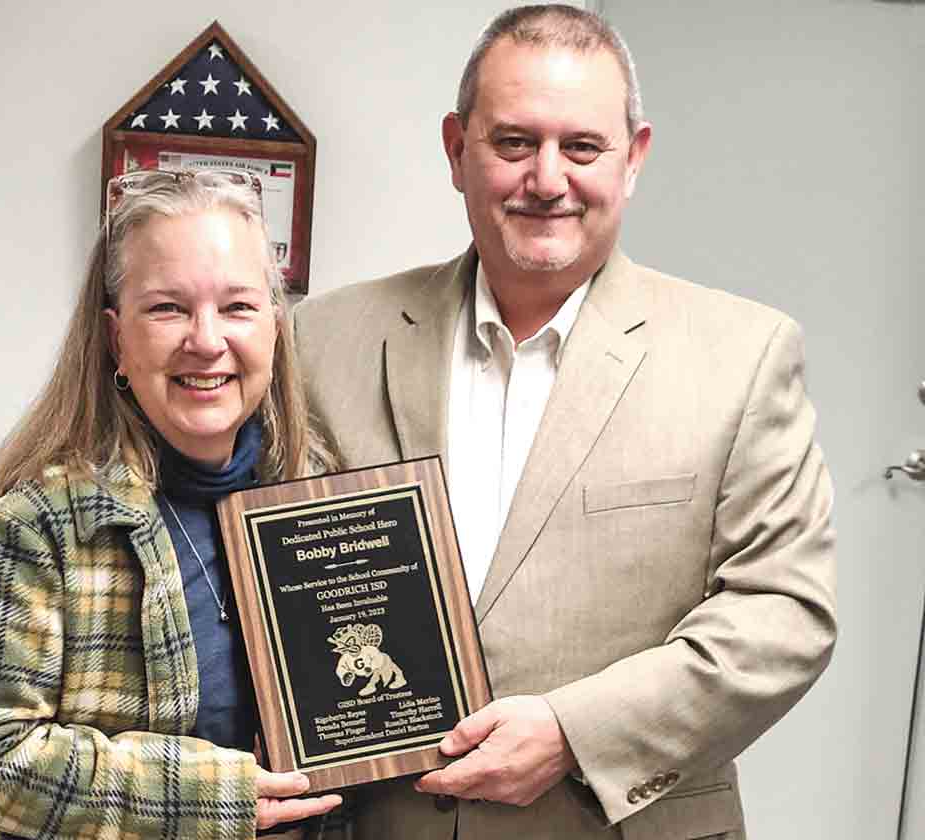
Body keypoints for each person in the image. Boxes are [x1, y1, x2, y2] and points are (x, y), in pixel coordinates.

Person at [293, 6, 836, 839]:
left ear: (634, 158)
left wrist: (572, 734)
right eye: (514, 143)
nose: (547, 179)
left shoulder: (744, 354)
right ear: (455, 149)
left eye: (582, 148)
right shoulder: (319, 340)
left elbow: (782, 614)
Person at [0, 169, 342, 840]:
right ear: (118, 338)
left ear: (274, 326)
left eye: (237, 307)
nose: (207, 340)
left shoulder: (333, 503)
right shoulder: (48, 523)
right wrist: (208, 795)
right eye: (169, 308)